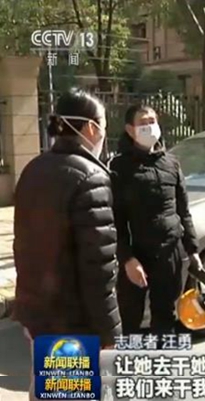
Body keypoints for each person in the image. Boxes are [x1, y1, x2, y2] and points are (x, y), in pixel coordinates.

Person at [13, 89, 121, 399]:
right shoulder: (91, 177)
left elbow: (23, 245)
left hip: (37, 314)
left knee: (45, 390)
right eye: (103, 125)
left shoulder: (33, 169)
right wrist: (110, 331)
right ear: (91, 128)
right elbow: (98, 268)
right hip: (73, 322)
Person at [109, 105, 202, 338]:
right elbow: (115, 220)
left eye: (152, 121)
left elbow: (184, 211)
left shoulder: (171, 163)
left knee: (165, 314)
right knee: (130, 318)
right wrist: (127, 259)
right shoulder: (119, 167)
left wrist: (192, 250)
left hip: (170, 252)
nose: (149, 127)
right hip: (137, 255)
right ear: (130, 130)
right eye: (143, 122)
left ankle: (162, 358)